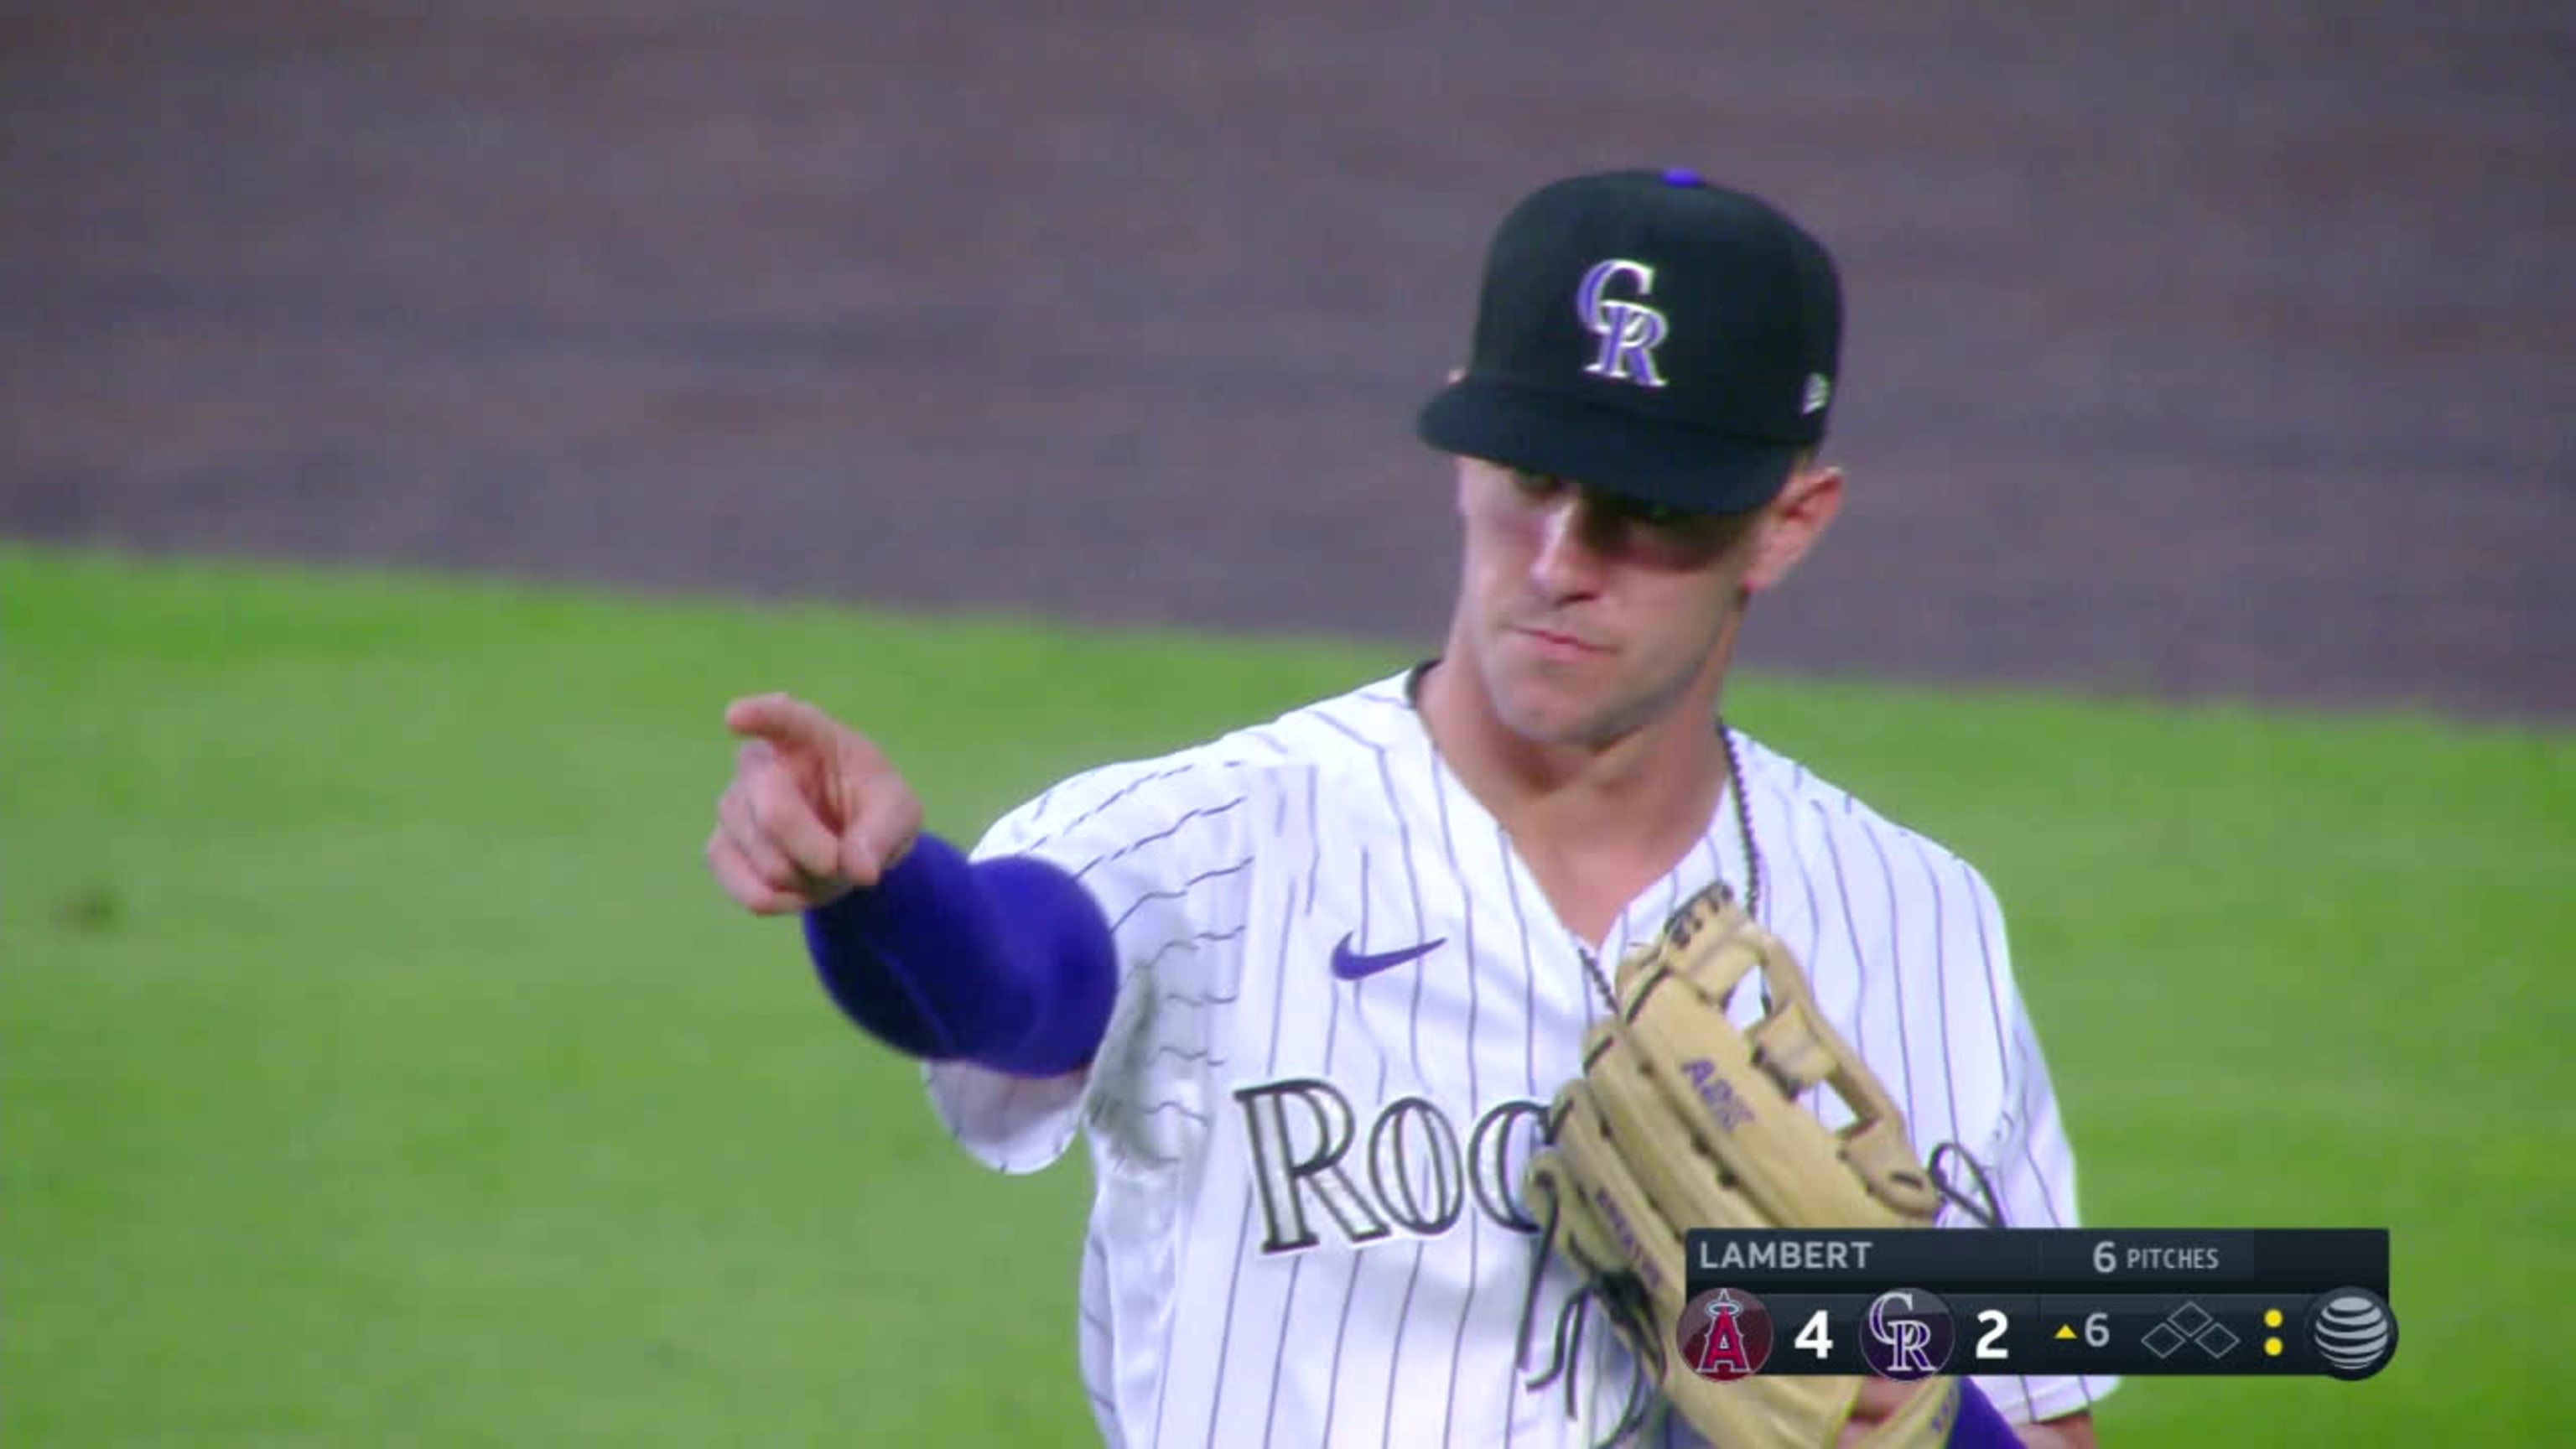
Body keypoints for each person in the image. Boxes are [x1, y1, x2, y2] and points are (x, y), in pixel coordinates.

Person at [704, 169, 2114, 1446]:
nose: (1561, 560)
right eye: (1531, 480)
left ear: (1787, 523)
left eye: (1649, 510)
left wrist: (1914, 1421)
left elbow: (2047, 1420)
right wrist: (881, 894)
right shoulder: (1215, 841)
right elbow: (1016, 978)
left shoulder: (1918, 920)